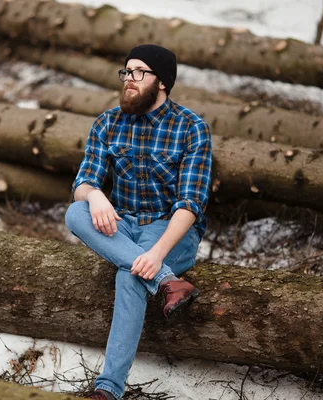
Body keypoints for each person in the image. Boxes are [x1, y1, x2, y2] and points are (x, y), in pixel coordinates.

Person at [64, 44, 212, 400]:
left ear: (162, 82)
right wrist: (96, 195)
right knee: (75, 213)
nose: (128, 79)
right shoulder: (108, 122)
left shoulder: (192, 128)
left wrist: (157, 254)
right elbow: (83, 184)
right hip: (123, 223)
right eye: (126, 72)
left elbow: (190, 205)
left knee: (130, 275)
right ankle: (168, 283)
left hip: (171, 229)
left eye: (138, 72)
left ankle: (108, 389)